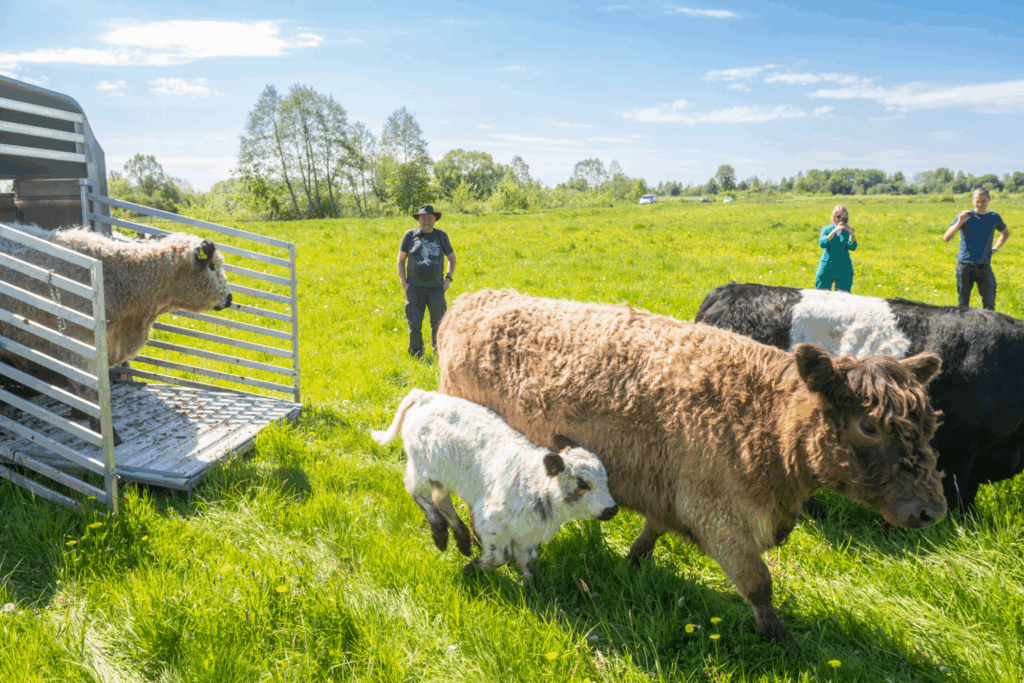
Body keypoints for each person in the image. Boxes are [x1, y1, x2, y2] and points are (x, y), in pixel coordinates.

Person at [397, 205, 456, 358]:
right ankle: (416, 354)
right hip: (414, 288)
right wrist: (404, 282)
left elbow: (451, 258)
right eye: (423, 218)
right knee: (414, 324)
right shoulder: (409, 236)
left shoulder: (441, 236)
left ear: (435, 219)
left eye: (430, 218)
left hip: (436, 288)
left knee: (439, 324)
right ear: (419, 220)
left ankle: (439, 354)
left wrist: (448, 278)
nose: (426, 221)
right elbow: (401, 259)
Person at [943, 188, 1009, 310]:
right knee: (963, 304)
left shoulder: (994, 217)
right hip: (965, 265)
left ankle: (989, 322)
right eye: (977, 201)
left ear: (989, 200)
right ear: (973, 200)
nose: (979, 204)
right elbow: (947, 237)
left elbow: (1005, 233)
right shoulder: (965, 216)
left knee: (989, 303)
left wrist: (995, 248)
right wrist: (960, 222)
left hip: (984, 265)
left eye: (983, 201)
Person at [815, 204, 857, 292]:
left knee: (843, 296)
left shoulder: (849, 230)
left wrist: (851, 234)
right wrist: (835, 231)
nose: (840, 219)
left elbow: (853, 246)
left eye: (844, 217)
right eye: (838, 217)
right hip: (827, 267)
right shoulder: (826, 229)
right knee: (822, 295)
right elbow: (822, 243)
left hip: (844, 268)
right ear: (834, 217)